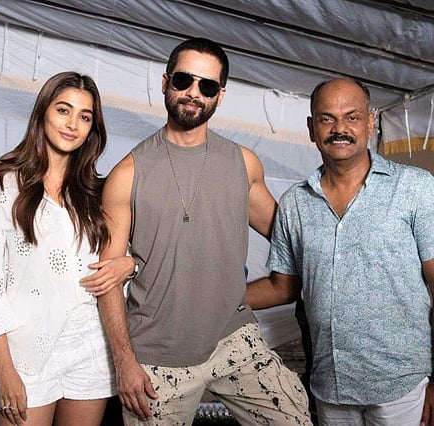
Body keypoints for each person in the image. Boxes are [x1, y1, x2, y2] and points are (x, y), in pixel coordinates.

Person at [94, 37, 311, 425]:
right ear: (165, 83)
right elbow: (107, 280)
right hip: (158, 354)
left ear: (220, 95)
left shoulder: (243, 164)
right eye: (184, 80)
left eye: (207, 86)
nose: (194, 93)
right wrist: (124, 362)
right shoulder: (127, 174)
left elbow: (292, 240)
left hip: (234, 339)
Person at [246, 78, 434, 425]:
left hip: (402, 385)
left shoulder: (416, 189)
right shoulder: (295, 203)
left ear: (370, 123)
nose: (339, 129)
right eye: (327, 118)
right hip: (330, 386)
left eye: (352, 117)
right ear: (311, 128)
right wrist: (217, 299)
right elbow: (283, 287)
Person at [0, 71, 135, 426]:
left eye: (84, 117)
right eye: (63, 110)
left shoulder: (96, 191)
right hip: (25, 354)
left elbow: (123, 257)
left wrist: (129, 264)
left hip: (91, 348)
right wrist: (4, 368)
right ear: (43, 111)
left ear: (92, 128)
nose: (72, 124)